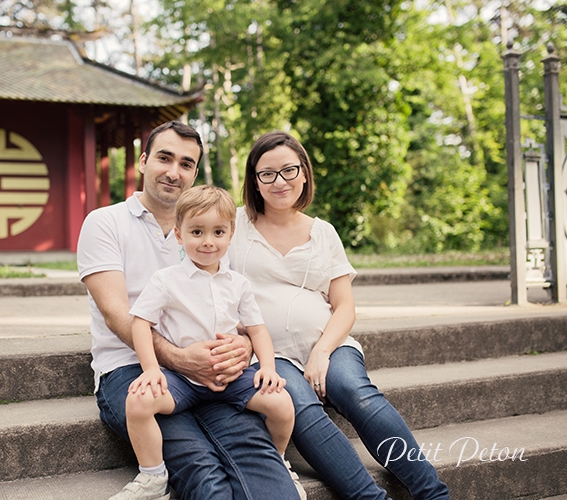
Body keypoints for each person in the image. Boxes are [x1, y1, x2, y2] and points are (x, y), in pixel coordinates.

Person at [77, 121, 303, 500]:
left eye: (186, 164)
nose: (173, 171)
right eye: (164, 158)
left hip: (215, 374)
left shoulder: (211, 227)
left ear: (194, 173)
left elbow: (236, 306)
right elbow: (120, 315)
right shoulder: (105, 223)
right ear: (144, 162)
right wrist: (180, 360)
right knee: (203, 471)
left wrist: (242, 347)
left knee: (261, 466)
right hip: (133, 368)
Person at [228, 131, 451, 500]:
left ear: (304, 174)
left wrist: (321, 353)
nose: (279, 181)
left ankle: (434, 494)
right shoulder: (235, 226)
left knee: (355, 391)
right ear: (254, 180)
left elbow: (345, 306)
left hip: (327, 344)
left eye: (288, 170)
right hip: (268, 353)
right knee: (299, 404)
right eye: (266, 174)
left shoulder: (323, 233)